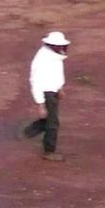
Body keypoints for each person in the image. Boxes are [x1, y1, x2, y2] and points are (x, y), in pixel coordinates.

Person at [23, 31, 69, 161]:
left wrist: (59, 88)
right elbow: (35, 81)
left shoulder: (55, 55)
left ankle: (28, 132)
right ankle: (49, 151)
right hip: (46, 93)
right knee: (53, 123)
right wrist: (41, 104)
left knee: (50, 120)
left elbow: (57, 74)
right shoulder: (41, 59)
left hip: (53, 91)